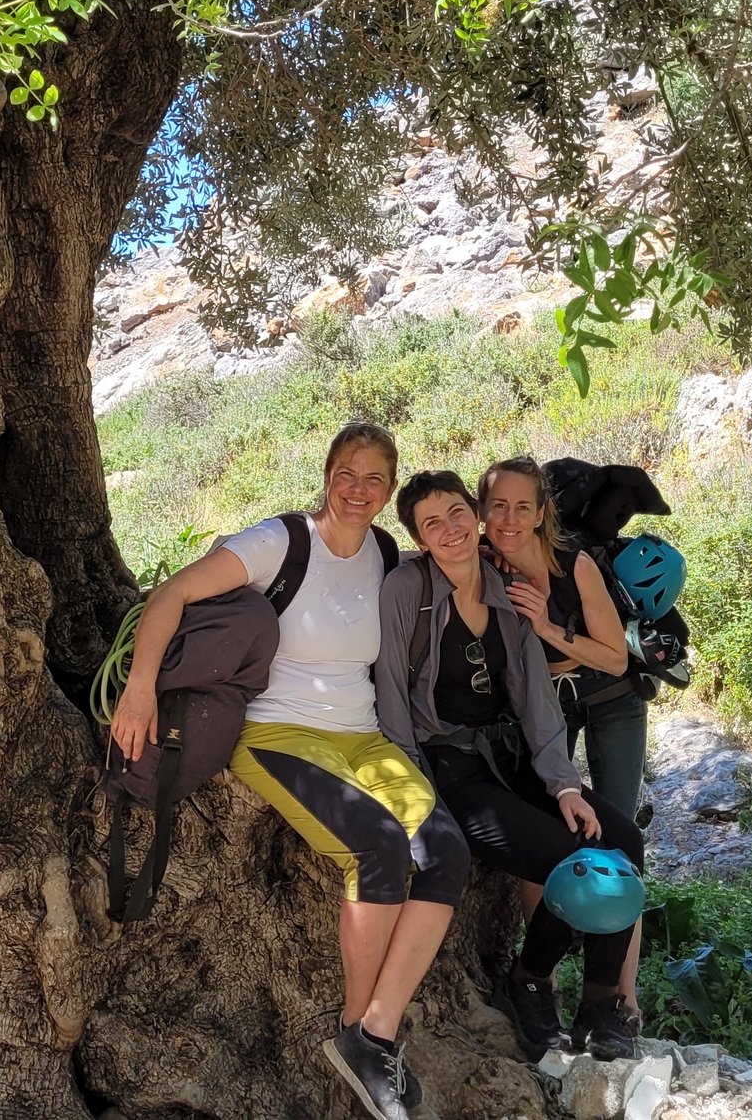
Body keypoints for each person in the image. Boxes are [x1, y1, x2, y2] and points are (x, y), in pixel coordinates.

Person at [112, 422, 464, 1120]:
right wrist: (140, 686)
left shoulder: (385, 555)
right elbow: (171, 595)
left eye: (374, 480)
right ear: (328, 473)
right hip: (280, 733)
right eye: (347, 473)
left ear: (388, 490)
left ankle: (375, 1035)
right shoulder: (282, 541)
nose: (358, 490)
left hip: (364, 739)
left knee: (447, 853)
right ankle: (356, 1027)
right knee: (378, 848)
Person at [376, 470, 646, 1062]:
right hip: (452, 768)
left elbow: (534, 698)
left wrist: (564, 785)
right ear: (420, 539)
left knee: (622, 840)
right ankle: (528, 977)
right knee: (569, 860)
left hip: (515, 756)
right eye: (431, 523)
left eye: (455, 513)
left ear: (474, 517)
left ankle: (602, 1006)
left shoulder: (508, 586)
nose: (448, 529)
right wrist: (412, 796)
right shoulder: (407, 588)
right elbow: (392, 695)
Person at [478, 455, 647, 1015]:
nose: (509, 518)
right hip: (547, 712)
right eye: (498, 506)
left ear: (541, 512)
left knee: (620, 842)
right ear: (481, 513)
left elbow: (616, 658)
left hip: (611, 702)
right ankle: (540, 983)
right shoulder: (479, 567)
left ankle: (621, 998)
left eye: (522, 506)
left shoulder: (574, 565)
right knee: (552, 826)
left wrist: (549, 628)